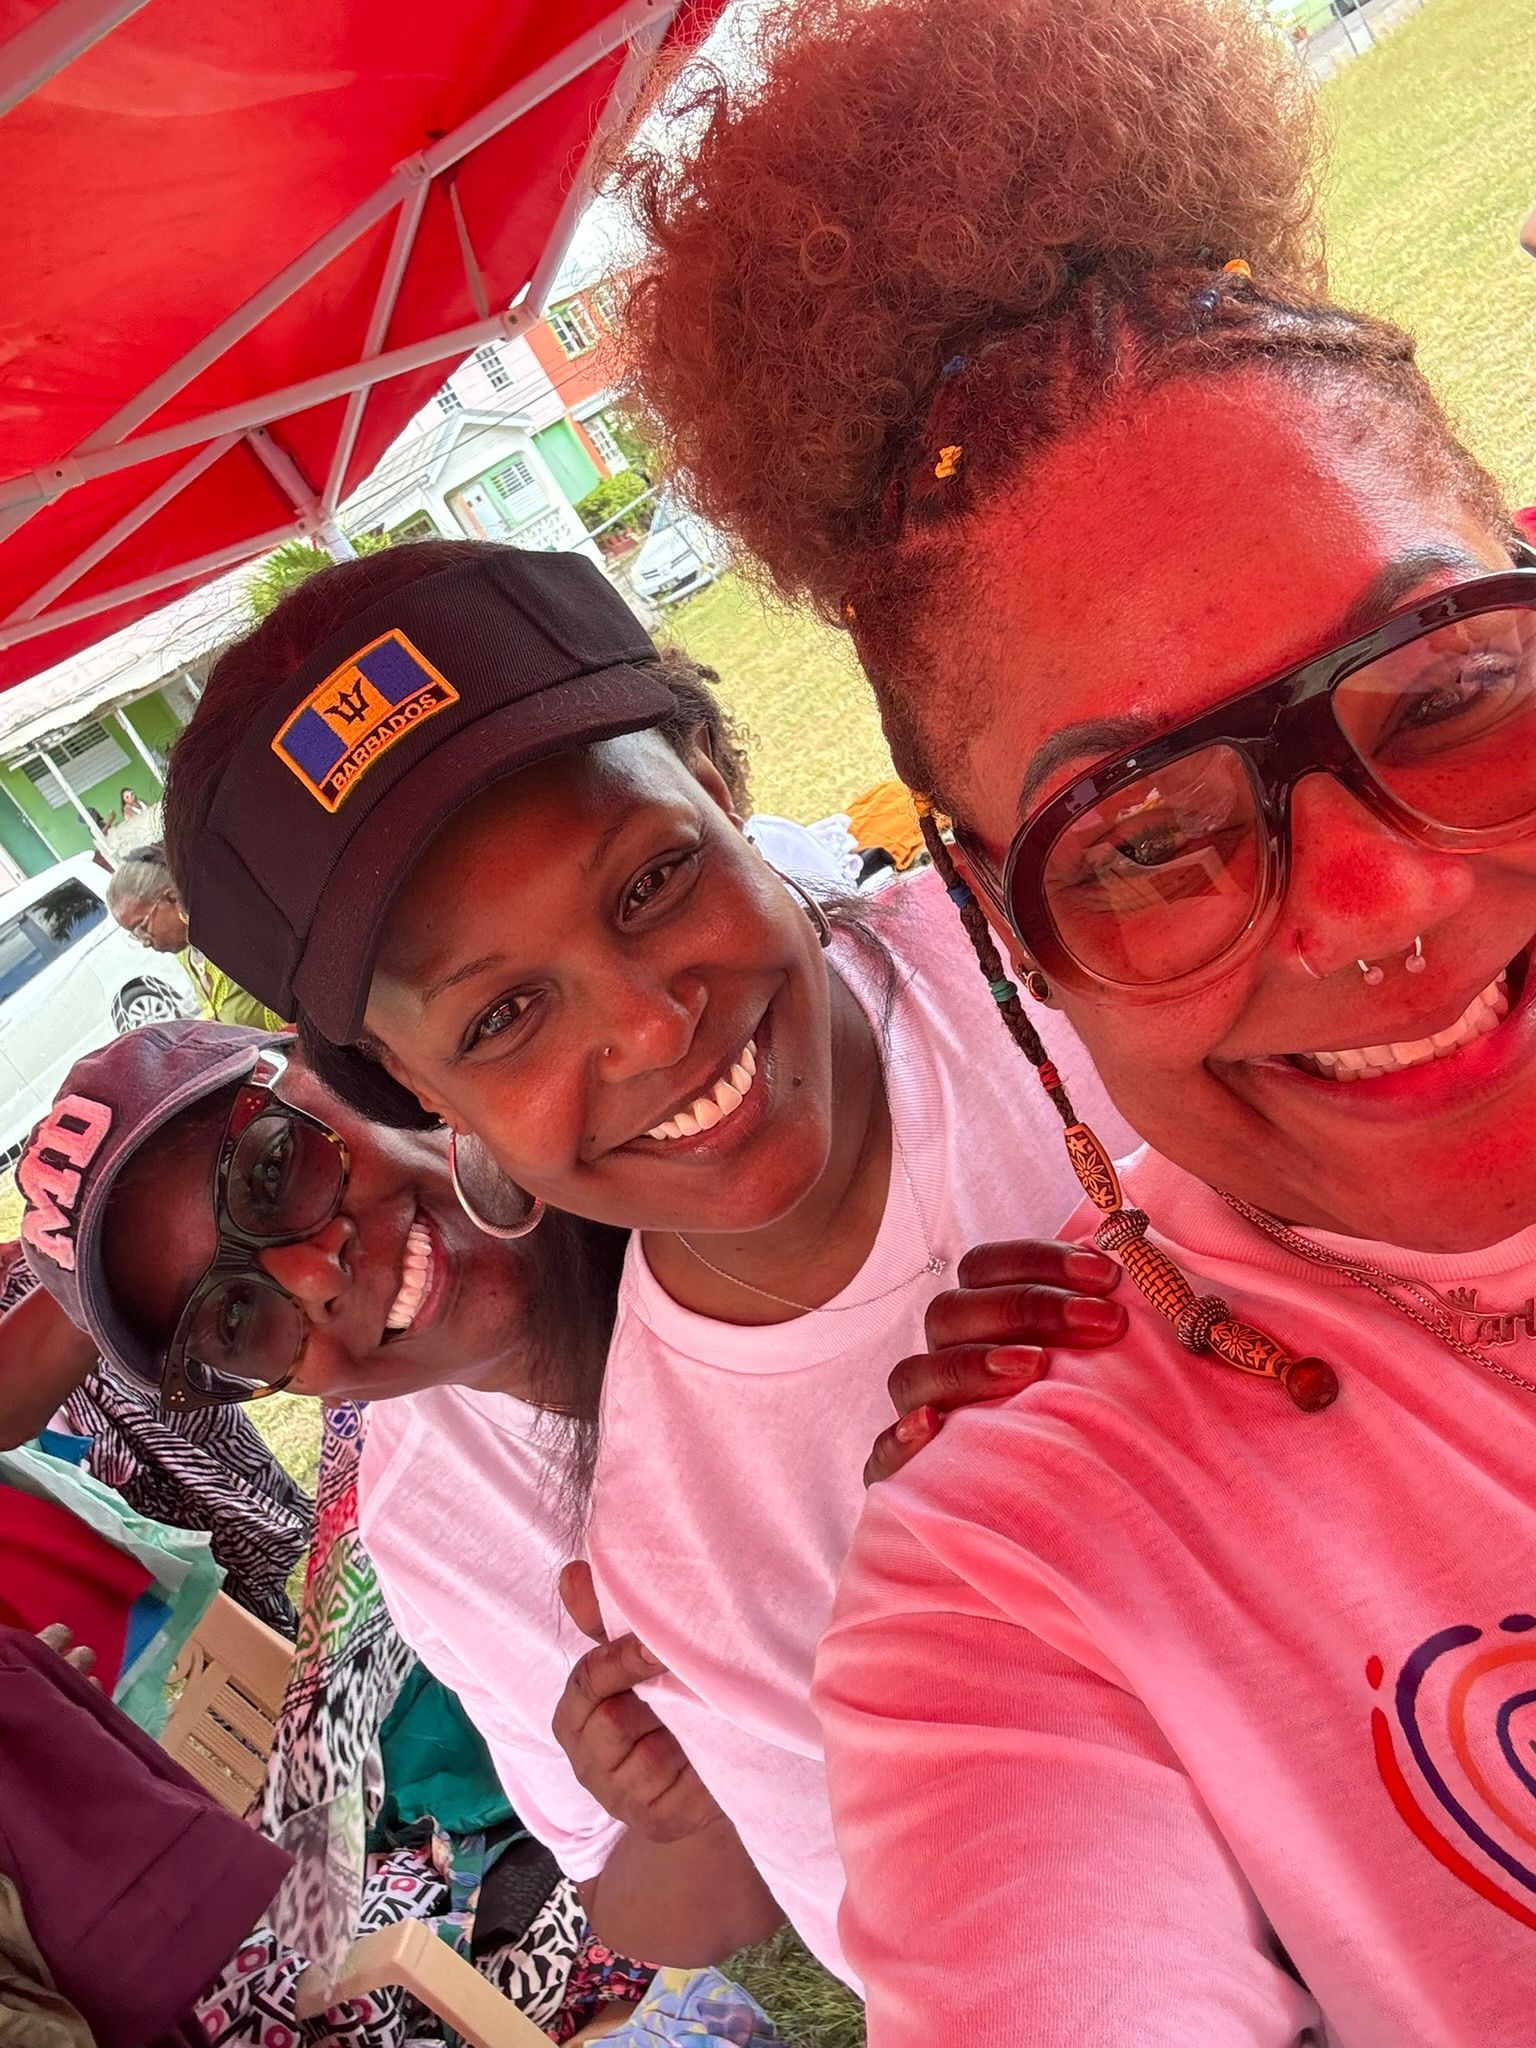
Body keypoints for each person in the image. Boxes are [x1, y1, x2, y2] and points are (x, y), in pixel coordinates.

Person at [611, 0, 1536, 2038]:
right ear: (1003, 930)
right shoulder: (1015, 1594)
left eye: (1447, 683)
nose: (1378, 894)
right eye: (1146, 837)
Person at [158, 537, 1137, 1982]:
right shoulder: (676, 1550)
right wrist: (928, 1623)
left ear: (721, 787)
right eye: (500, 1019)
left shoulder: (1082, 939)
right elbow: (991, 1964)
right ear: (415, 1085)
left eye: (656, 879)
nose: (650, 1027)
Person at [13, 1001, 1114, 1977]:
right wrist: (688, 1804)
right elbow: (657, 1909)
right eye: (236, 1319)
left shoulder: (705, 1129)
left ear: (327, 1065)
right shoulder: (435, 1529)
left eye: (271, 1168)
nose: (315, 1268)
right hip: (1019, 1952)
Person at [106, 843, 287, 1031]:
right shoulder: (188, 956)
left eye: (142, 927)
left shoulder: (234, 932)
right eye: (134, 935)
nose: (144, 941)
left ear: (172, 898)